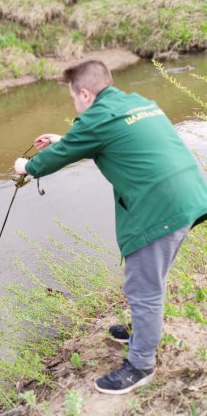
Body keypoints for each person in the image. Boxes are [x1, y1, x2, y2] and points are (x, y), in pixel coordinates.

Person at [14, 59, 207, 395]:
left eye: (74, 98)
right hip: (189, 197)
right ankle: (141, 330)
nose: (75, 104)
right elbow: (108, 139)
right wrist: (64, 138)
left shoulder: (96, 119)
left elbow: (60, 156)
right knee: (151, 278)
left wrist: (27, 165)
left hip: (158, 208)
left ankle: (141, 364)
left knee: (143, 289)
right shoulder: (138, 104)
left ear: (85, 93)